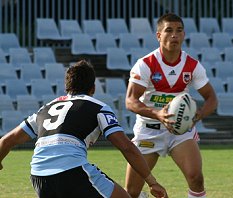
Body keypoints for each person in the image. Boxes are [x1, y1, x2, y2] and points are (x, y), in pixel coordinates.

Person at [0, 60, 168, 198]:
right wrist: (152, 181)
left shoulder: (44, 109)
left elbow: (6, 141)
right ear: (93, 88)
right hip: (72, 171)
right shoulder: (99, 107)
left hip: (39, 176)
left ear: (67, 87)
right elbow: (126, 146)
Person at [125, 13, 218, 198]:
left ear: (184, 35)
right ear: (159, 35)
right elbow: (130, 101)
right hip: (149, 130)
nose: (174, 35)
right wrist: (158, 114)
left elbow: (211, 99)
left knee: (196, 178)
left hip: (179, 131)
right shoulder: (145, 64)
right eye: (169, 30)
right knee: (132, 192)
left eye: (179, 30)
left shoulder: (192, 65)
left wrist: (197, 116)